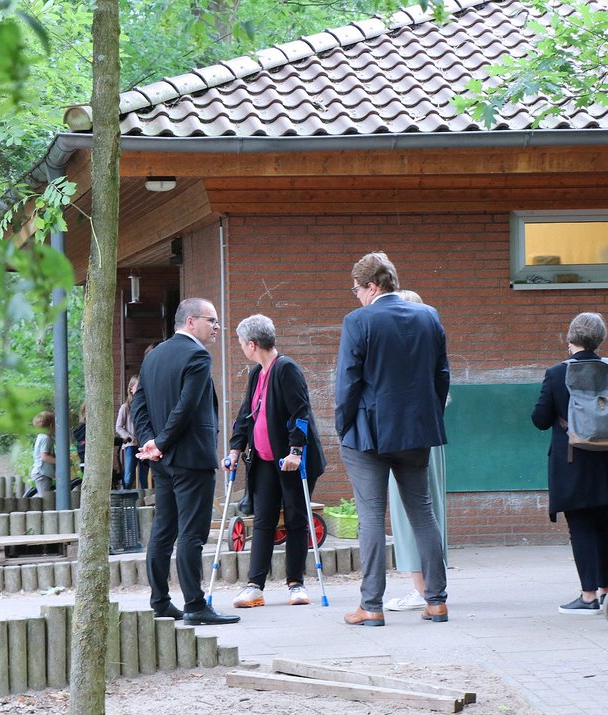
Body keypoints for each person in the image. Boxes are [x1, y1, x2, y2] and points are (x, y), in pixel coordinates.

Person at [335, 252, 450, 627]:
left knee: (370, 515)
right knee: (422, 512)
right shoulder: (428, 316)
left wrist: (343, 426)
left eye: (357, 289)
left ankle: (371, 606)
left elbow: (348, 381)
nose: (356, 296)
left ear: (371, 286)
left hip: (369, 433)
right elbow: (441, 374)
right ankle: (436, 601)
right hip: (416, 430)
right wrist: (430, 416)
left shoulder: (358, 321)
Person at [131, 298, 240, 626]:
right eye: (212, 320)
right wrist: (160, 441)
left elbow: (139, 405)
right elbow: (187, 406)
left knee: (163, 531)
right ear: (191, 322)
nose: (217, 327)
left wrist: (150, 442)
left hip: (162, 462)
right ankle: (194, 605)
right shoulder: (196, 355)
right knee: (192, 533)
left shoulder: (153, 357)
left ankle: (161, 602)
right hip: (191, 458)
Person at [531, 312, 608, 614]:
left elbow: (540, 420)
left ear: (570, 338)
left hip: (573, 462)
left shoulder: (556, 374)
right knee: (604, 524)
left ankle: (588, 595)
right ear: (600, 339)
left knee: (579, 527)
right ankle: (607, 591)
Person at [225, 314, 326, 608]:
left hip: (291, 460)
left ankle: (296, 583)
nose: (242, 347)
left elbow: (301, 413)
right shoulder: (257, 373)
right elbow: (247, 412)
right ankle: (255, 586)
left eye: (242, 343)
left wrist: (296, 451)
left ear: (252, 344)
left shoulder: (286, 369)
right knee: (264, 519)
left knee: (295, 518)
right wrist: (235, 449)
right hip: (264, 460)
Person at [383, 290, 450, 612]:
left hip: (405, 440)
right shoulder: (428, 351)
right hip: (430, 437)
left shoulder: (402, 356)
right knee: (429, 511)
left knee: (410, 513)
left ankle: (421, 589)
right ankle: (432, 588)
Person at [116, 376, 148, 491]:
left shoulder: (145, 406)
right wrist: (129, 437)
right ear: (131, 389)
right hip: (131, 446)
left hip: (144, 445)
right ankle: (124, 498)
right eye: (137, 386)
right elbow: (119, 427)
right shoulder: (125, 407)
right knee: (129, 475)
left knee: (144, 477)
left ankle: (144, 503)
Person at [29, 410, 57, 496]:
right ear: (52, 425)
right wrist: (60, 461)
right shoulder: (45, 438)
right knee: (45, 498)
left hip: (43, 472)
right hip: (41, 473)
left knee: (46, 494)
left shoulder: (41, 436)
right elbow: (44, 457)